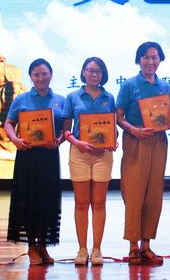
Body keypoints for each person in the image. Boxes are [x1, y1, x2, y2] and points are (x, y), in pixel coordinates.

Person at [116, 42, 170, 265]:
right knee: (134, 194)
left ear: (160, 59)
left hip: (158, 142)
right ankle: (133, 247)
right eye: (146, 57)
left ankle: (146, 245)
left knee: (154, 195)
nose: (151, 62)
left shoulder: (164, 86)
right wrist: (133, 130)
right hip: (135, 141)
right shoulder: (129, 85)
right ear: (138, 60)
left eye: (155, 57)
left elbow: (165, 114)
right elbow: (118, 117)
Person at [4, 58, 65, 265]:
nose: (41, 78)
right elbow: (9, 123)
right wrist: (15, 139)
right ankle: (31, 246)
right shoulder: (21, 99)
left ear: (51, 75)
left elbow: (65, 129)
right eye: (36, 75)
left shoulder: (60, 100)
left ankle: (43, 246)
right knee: (29, 200)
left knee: (48, 200)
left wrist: (59, 140)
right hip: (27, 156)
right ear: (31, 77)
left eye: (44, 74)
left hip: (49, 157)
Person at [62, 57, 117, 266]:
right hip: (79, 153)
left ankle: (97, 249)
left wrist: (114, 140)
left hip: (103, 154)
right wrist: (77, 142)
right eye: (90, 70)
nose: (94, 74)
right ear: (83, 72)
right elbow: (66, 130)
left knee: (99, 202)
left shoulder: (109, 97)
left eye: (98, 71)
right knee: (81, 203)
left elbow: (112, 126)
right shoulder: (72, 97)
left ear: (103, 74)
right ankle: (82, 249)